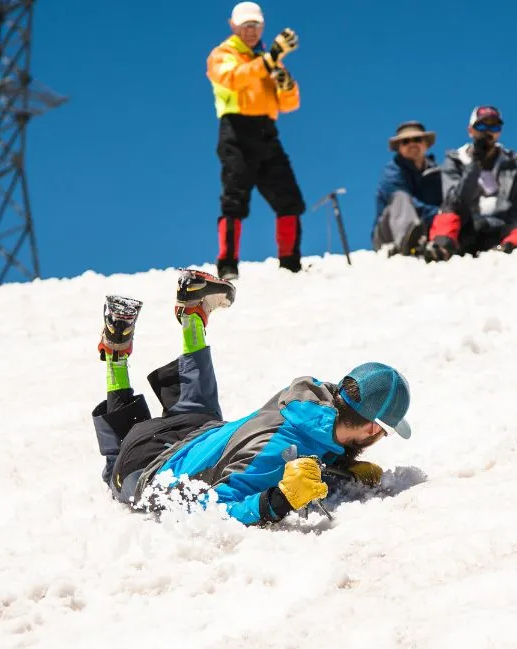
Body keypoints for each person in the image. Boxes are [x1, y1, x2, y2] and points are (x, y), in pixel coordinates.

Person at [92, 270, 412, 527]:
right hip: (146, 467)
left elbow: (315, 440)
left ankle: (193, 315)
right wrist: (279, 499)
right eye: (385, 430)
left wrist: (342, 468)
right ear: (371, 428)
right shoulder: (274, 450)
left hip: (197, 434)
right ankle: (116, 357)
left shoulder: (312, 399)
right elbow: (212, 509)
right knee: (118, 462)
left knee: (201, 410)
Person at [206, 2, 305, 280]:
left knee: (289, 198)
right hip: (236, 131)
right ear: (233, 26)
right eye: (245, 25)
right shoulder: (223, 54)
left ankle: (291, 264)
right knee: (234, 198)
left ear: (262, 26)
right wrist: (270, 59)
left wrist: (286, 84)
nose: (251, 31)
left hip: (266, 132)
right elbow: (233, 79)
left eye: (255, 25)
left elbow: (289, 104)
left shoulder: (267, 59)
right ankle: (227, 265)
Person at [424, 106, 517, 262]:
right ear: (470, 130)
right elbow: (455, 200)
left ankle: (505, 249)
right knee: (450, 207)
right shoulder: (455, 160)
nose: (488, 132)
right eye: (481, 126)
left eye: (494, 127)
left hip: (497, 230)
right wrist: (475, 165)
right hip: (464, 229)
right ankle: (441, 248)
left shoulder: (514, 165)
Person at [372, 121, 443, 257]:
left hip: (428, 229)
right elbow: (412, 205)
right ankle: (408, 244)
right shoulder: (391, 172)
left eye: (417, 139)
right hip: (388, 235)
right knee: (401, 198)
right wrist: (439, 214)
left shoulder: (438, 173)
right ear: (399, 148)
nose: (412, 144)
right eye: (405, 141)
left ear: (426, 144)